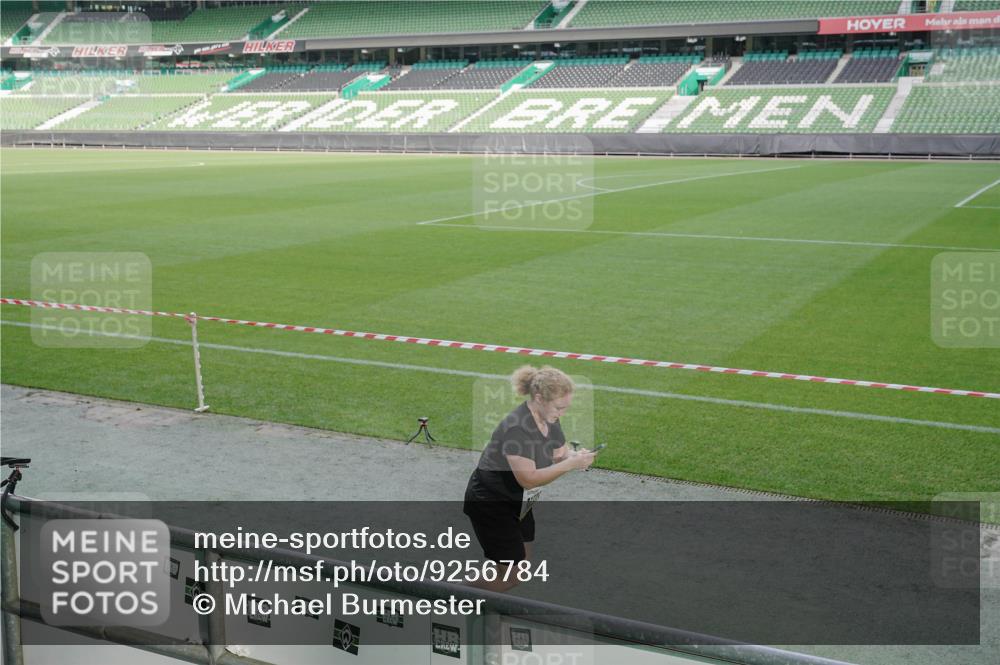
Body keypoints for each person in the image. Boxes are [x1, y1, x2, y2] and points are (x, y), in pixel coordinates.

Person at [463, 365, 595, 592]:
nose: (563, 412)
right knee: (510, 577)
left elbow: (559, 454)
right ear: (539, 398)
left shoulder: (550, 419)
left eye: (566, 407)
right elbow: (529, 479)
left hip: (519, 503)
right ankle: (444, 594)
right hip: (493, 504)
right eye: (559, 407)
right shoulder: (518, 429)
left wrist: (576, 456)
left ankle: (477, 597)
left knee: (519, 567)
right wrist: (571, 464)